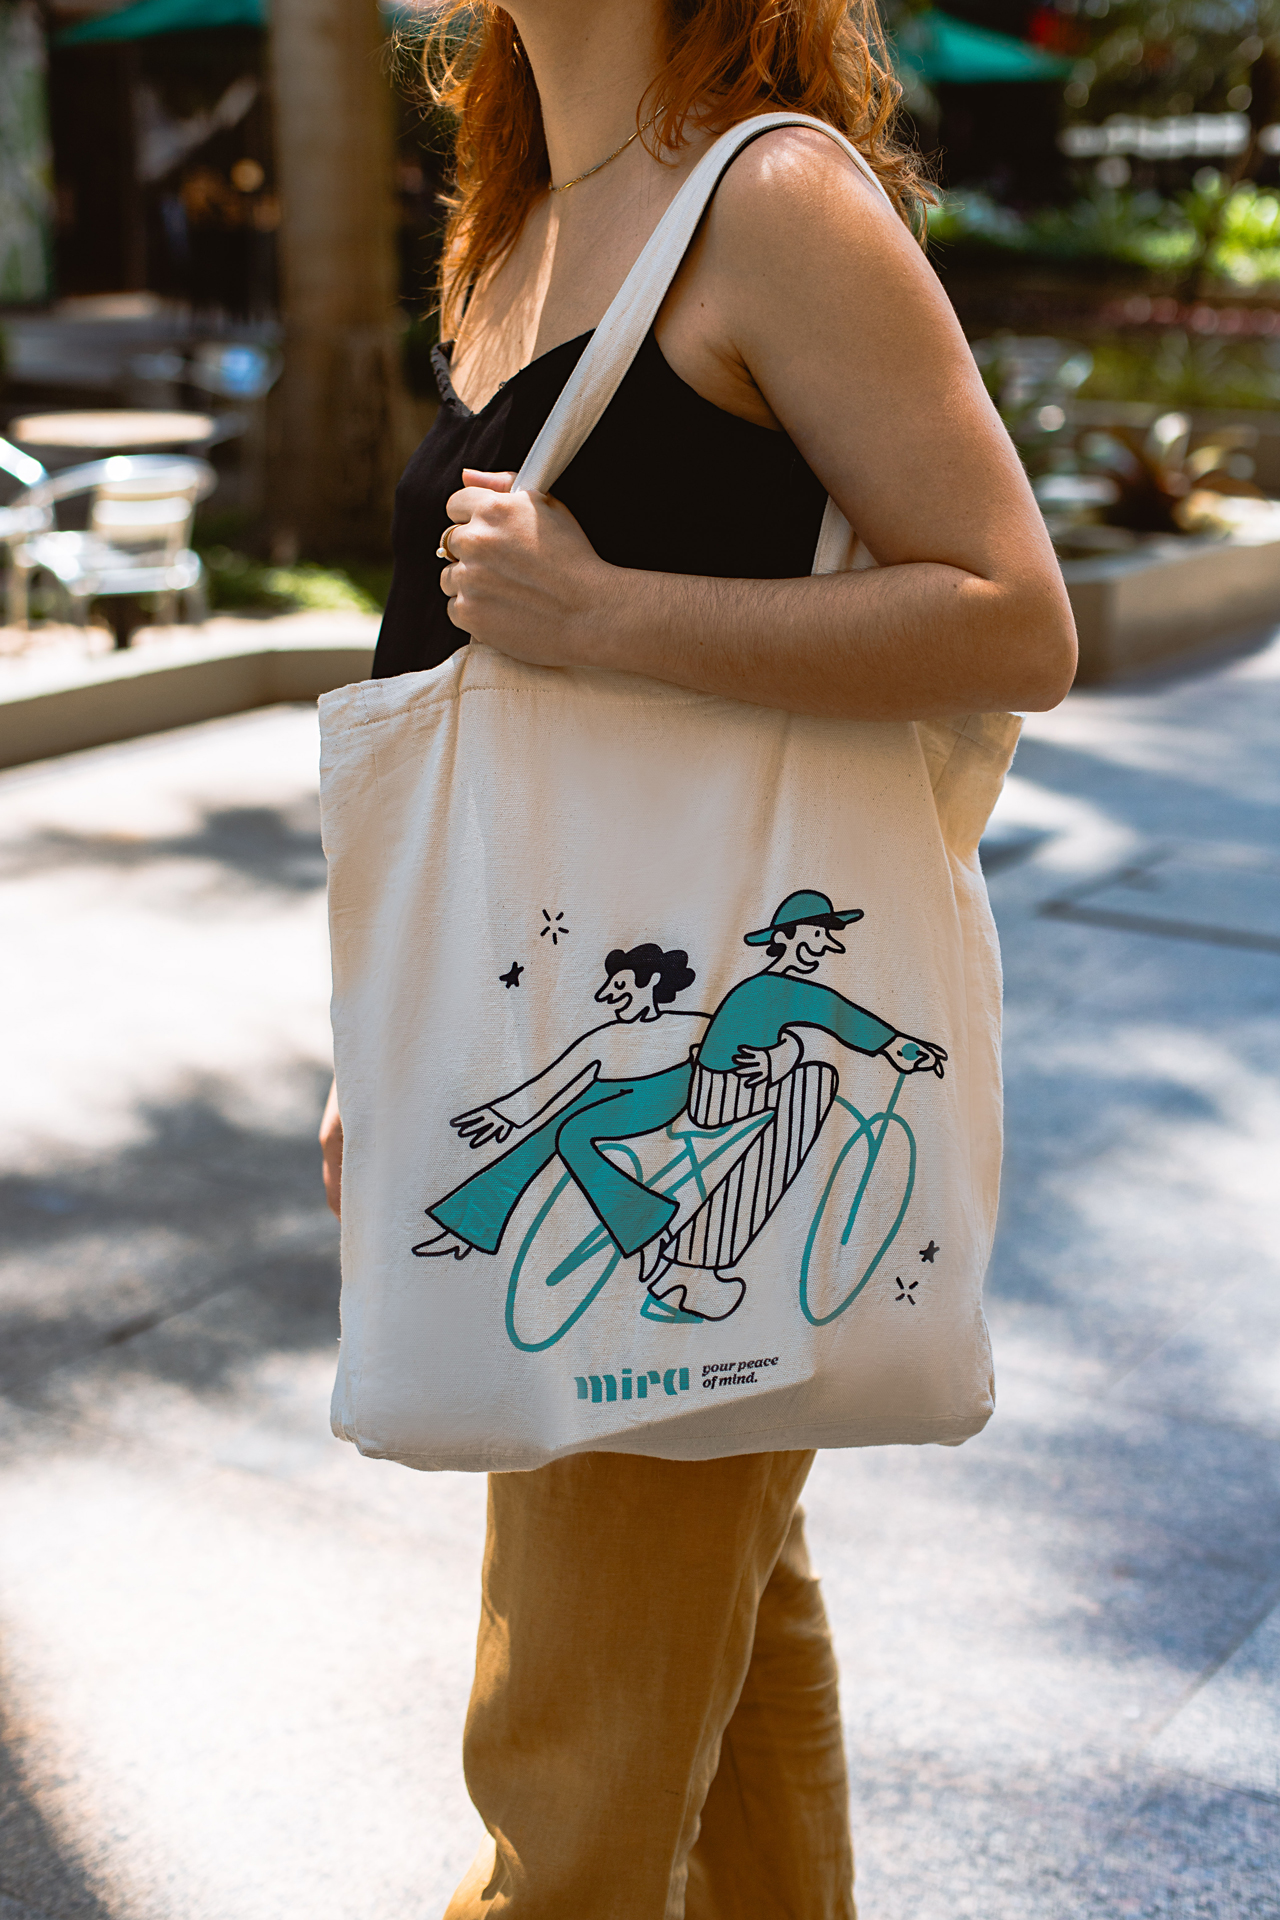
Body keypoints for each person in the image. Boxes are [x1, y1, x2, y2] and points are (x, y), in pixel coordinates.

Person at [318, 1, 1076, 1912]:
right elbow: (460, 709)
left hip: (716, 1122)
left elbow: (1017, 619)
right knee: (722, 1675)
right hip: (555, 1017)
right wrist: (387, 1048)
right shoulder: (512, 230)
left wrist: (605, 613)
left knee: (568, 1770)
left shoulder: (772, 202)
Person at [640, 888, 946, 1317]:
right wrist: (891, 1045)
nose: (826, 945)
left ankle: (691, 1262)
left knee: (816, 1078)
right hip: (720, 1094)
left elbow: (820, 1012)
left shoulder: (774, 988)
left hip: (734, 1086)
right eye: (817, 934)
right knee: (812, 1089)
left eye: (828, 936)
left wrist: (795, 1051)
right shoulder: (770, 987)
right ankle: (694, 1265)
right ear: (784, 937)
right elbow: (826, 1008)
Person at [413, 942, 706, 1260]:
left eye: (619, 985)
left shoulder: (688, 1024)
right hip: (608, 1094)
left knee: (572, 1135)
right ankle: (466, 1228)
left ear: (651, 981)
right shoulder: (605, 1036)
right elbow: (556, 1078)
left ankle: (647, 1228)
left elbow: (729, 1040)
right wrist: (506, 1112)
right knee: (539, 1140)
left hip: (656, 1097)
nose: (606, 995)